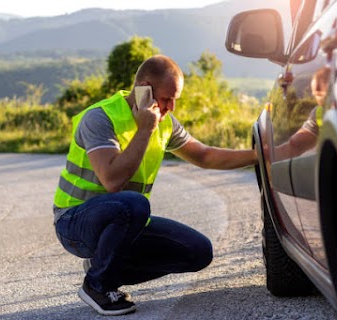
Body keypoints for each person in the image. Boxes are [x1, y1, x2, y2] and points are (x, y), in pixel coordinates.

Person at [53, 54, 257, 316]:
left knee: (197, 252)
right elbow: (113, 180)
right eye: (166, 98)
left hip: (121, 223)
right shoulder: (99, 118)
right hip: (74, 223)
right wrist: (144, 130)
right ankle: (98, 284)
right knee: (134, 204)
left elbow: (205, 156)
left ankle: (103, 265)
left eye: (175, 100)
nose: (170, 107)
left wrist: (258, 156)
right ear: (144, 90)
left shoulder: (166, 123)